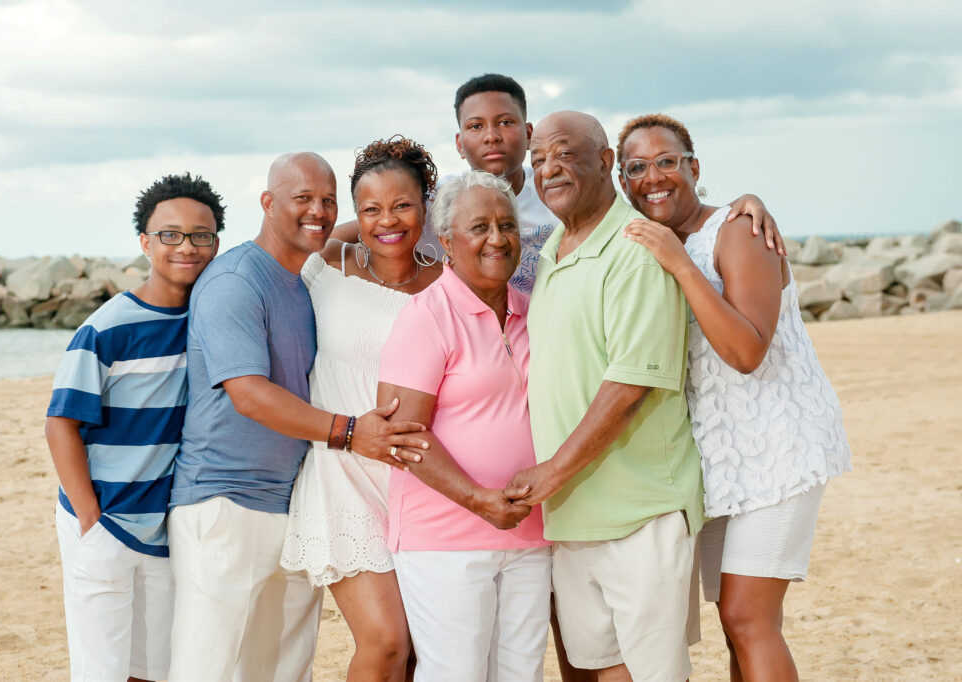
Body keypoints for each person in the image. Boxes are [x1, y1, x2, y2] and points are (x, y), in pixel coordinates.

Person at [166, 152, 431, 682]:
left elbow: (379, 224)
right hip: (225, 502)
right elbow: (248, 394)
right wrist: (352, 432)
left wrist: (400, 215)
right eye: (302, 199)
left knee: (281, 668)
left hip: (286, 497)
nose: (318, 211)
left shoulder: (305, 275)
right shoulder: (236, 279)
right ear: (267, 203)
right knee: (207, 666)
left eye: (328, 202)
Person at [617, 113, 851, 682]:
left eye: (667, 161)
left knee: (750, 619)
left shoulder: (738, 229)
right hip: (720, 459)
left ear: (694, 168)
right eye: (637, 167)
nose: (654, 176)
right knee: (735, 623)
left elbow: (747, 351)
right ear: (622, 181)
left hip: (778, 444)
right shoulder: (644, 237)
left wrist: (677, 261)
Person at [508, 111, 704, 682]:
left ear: (604, 162)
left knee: (656, 674)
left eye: (563, 154)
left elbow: (629, 387)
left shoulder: (637, 247)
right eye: (538, 159)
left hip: (641, 512)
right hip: (573, 518)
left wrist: (550, 473)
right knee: (605, 671)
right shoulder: (551, 253)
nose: (548, 169)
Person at [332, 73, 785, 298]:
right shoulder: (443, 201)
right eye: (476, 126)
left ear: (529, 133)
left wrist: (740, 205)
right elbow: (376, 227)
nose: (491, 135)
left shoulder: (558, 193)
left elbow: (656, 205)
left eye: (505, 122)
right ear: (459, 140)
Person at [45, 172, 224, 682]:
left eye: (200, 235)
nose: (185, 246)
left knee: (153, 665)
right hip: (103, 518)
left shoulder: (208, 319)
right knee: (102, 667)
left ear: (216, 243)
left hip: (164, 527)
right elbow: (60, 424)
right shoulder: (106, 328)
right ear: (145, 242)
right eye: (169, 234)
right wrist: (90, 518)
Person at [377, 170, 551, 681]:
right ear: (448, 242)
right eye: (479, 227)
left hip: (528, 533)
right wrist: (478, 499)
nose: (497, 238)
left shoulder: (530, 310)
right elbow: (403, 436)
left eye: (507, 225)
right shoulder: (426, 316)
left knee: (521, 676)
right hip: (446, 539)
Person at [280, 136, 443, 680]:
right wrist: (362, 223)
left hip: (421, 482)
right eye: (369, 209)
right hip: (342, 470)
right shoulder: (326, 267)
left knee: (421, 647)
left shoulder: (449, 284)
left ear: (427, 205)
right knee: (387, 642)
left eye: (402, 205)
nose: (386, 221)